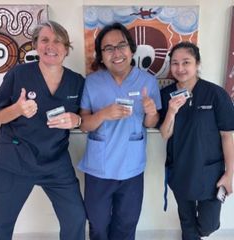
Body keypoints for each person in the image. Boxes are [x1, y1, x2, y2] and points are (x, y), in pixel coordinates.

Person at [0, 20, 86, 240]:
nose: (50, 46)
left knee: (76, 217)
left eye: (57, 41)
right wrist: (17, 109)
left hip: (55, 162)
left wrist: (76, 120)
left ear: (66, 48)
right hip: (14, 159)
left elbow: (85, 119)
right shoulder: (19, 74)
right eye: (44, 40)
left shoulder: (76, 82)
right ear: (36, 44)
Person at [77, 22, 162, 240]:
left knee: (126, 226)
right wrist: (103, 114)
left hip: (131, 168)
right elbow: (84, 124)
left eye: (121, 45)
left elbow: (151, 123)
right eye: (108, 48)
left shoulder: (147, 81)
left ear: (131, 49)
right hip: (99, 168)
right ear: (101, 55)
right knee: (97, 225)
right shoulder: (92, 82)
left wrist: (151, 112)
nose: (116, 53)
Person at [158, 41, 234, 240]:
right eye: (175, 63)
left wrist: (230, 173)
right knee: (187, 222)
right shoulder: (166, 95)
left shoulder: (216, 94)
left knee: (208, 225)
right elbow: (165, 134)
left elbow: (227, 135)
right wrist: (172, 111)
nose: (180, 68)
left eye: (186, 62)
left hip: (210, 172)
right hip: (180, 169)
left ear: (197, 64)